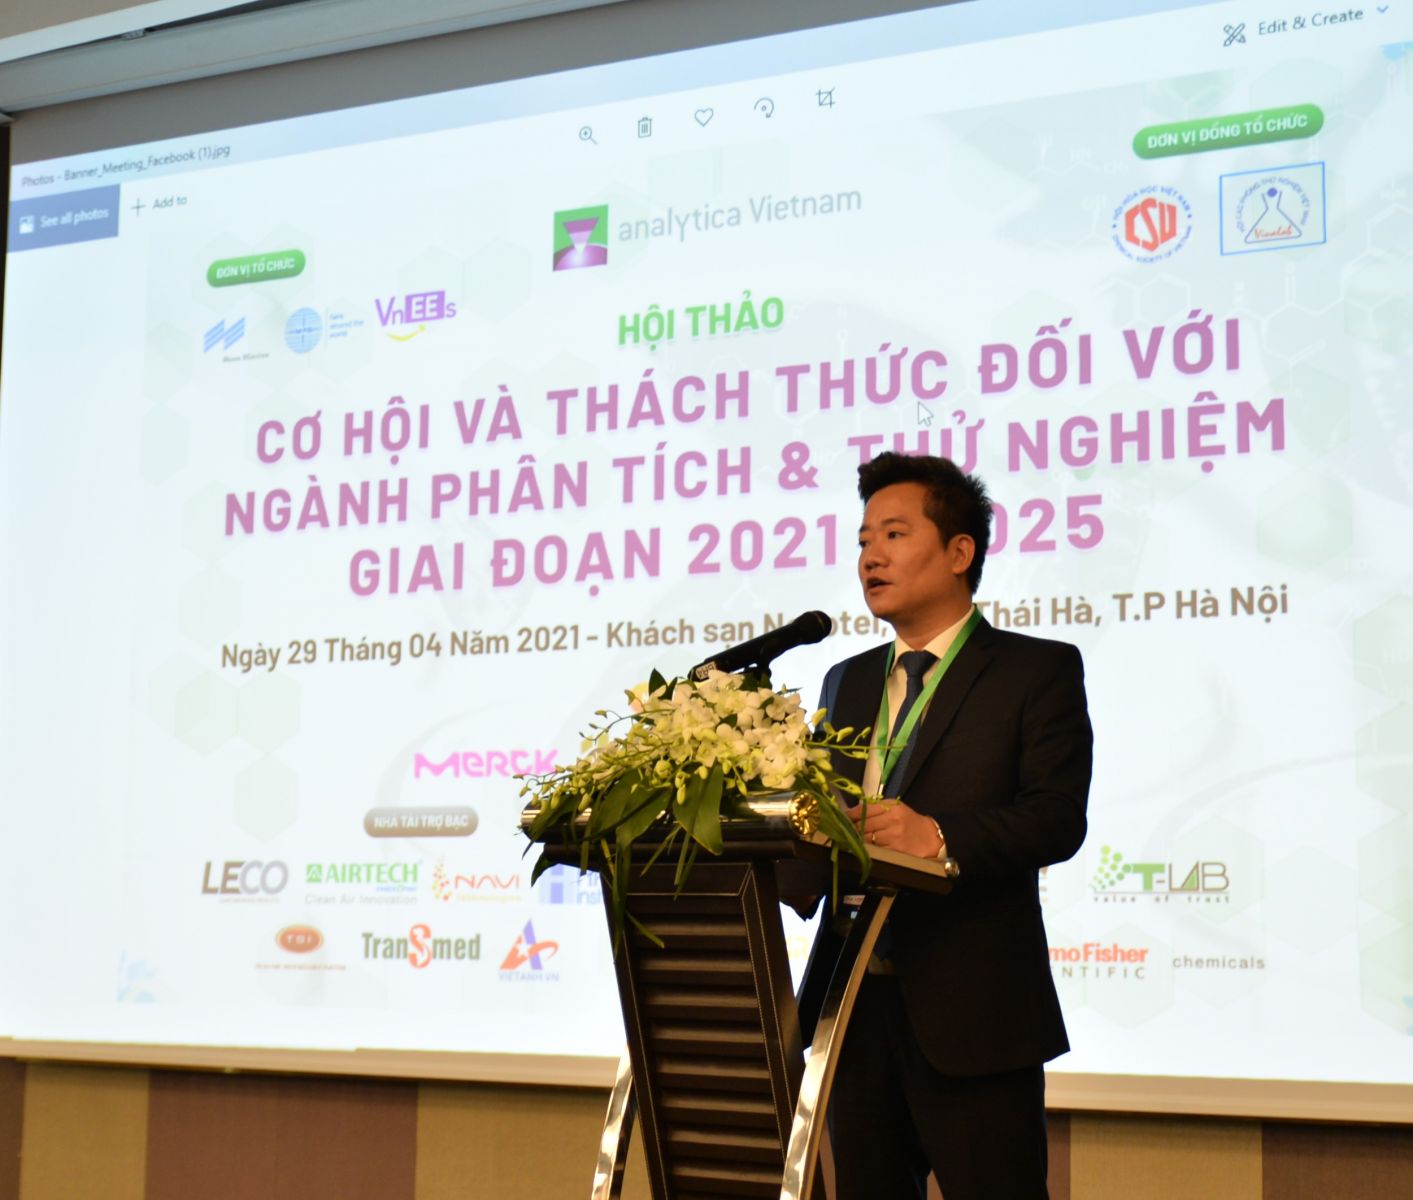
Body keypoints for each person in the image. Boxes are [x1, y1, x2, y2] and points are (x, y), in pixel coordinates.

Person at [812, 452, 1092, 1200]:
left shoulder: (1034, 670)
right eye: (863, 539)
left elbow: (1056, 818)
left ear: (960, 551)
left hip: (976, 1012)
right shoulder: (847, 680)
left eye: (893, 534)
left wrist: (935, 837)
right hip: (853, 1008)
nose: (870, 556)